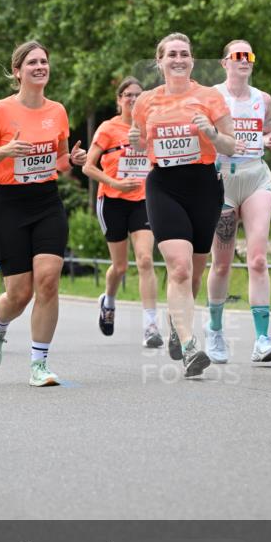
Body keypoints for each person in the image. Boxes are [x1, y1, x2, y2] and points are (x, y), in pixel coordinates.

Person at [0, 40, 86, 387]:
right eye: (32, 62)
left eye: (44, 62)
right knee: (19, 293)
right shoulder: (2, 110)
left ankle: (39, 364)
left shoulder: (58, 111)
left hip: (46, 202)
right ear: (18, 71)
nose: (40, 67)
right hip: (9, 205)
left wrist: (74, 161)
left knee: (48, 281)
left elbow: (60, 159)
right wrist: (6, 149)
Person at [129, 33, 236, 378]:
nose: (178, 59)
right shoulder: (145, 101)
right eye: (171, 54)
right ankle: (191, 347)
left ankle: (178, 325)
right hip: (164, 186)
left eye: (184, 54)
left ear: (191, 60)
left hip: (204, 186)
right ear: (159, 62)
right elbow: (140, 142)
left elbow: (231, 146)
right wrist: (136, 140)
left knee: (194, 270)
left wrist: (213, 135)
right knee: (179, 267)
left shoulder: (209, 97)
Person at [205, 40, 271, 363]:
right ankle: (215, 330)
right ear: (225, 63)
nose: (244, 60)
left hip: (255, 177)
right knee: (222, 263)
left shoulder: (262, 99)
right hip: (222, 180)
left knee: (258, 259)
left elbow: (267, 132)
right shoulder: (211, 97)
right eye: (237, 55)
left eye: (249, 55)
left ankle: (262, 339)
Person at [83, 77, 162, 348]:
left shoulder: (151, 128)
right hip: (113, 200)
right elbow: (88, 167)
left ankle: (151, 325)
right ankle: (109, 301)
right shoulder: (108, 128)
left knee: (145, 260)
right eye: (128, 95)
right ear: (119, 100)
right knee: (120, 266)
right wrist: (115, 182)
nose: (133, 99)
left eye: (138, 95)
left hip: (142, 200)